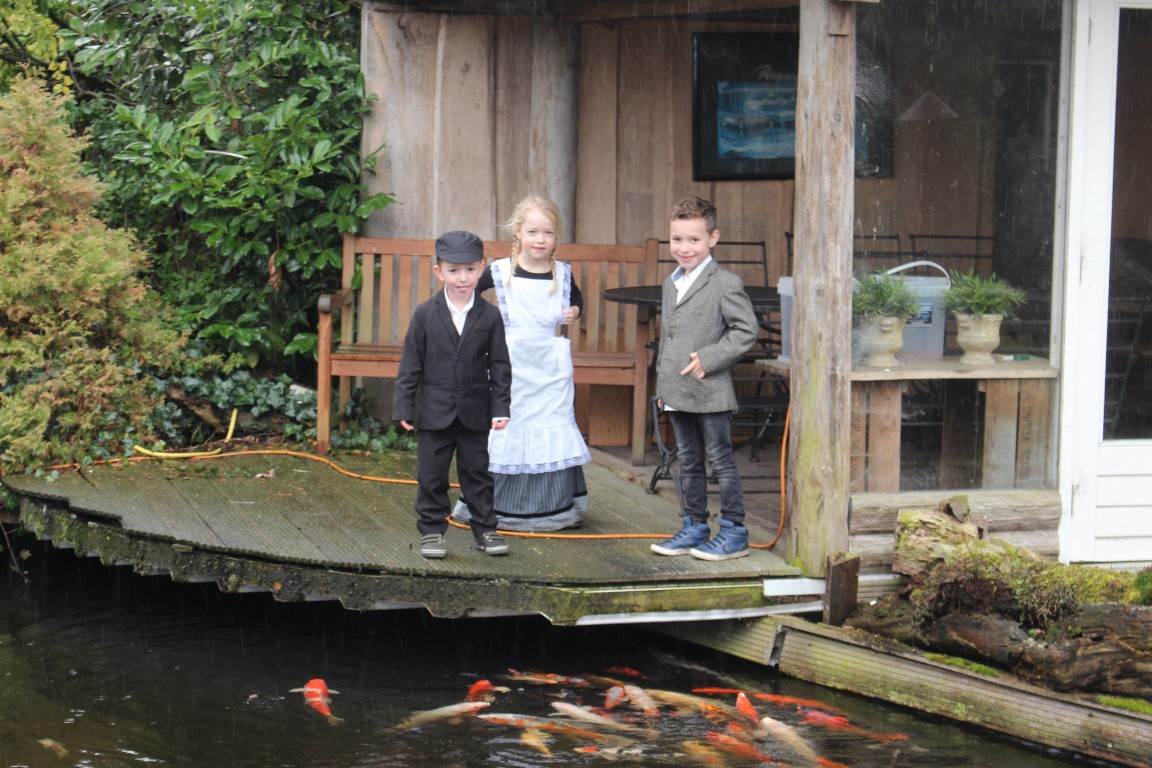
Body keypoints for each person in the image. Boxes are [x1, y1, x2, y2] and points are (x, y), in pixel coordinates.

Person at [452, 196, 592, 531]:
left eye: (548, 233)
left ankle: (553, 507)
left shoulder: (562, 272)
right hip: (511, 361)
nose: (540, 240)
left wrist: (574, 310)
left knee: (551, 422)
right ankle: (496, 505)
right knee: (509, 423)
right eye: (533, 232)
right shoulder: (501, 271)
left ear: (556, 236)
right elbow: (467, 292)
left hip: (549, 366)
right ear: (518, 232)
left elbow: (576, 298)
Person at [650, 196, 759, 560]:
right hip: (678, 391)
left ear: (713, 238)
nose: (684, 248)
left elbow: (746, 330)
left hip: (710, 391)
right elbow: (669, 338)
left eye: (694, 240)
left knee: (720, 460)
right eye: (677, 239)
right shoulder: (671, 283)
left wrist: (709, 359)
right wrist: (663, 387)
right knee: (689, 460)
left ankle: (734, 531)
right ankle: (695, 526)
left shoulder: (725, 283)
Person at [393, 230, 513, 558]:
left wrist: (500, 407)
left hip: (475, 412)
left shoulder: (490, 316)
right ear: (439, 271)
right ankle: (432, 530)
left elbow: (500, 365)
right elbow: (410, 364)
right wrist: (404, 406)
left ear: (482, 268)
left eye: (471, 269)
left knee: (477, 472)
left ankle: (485, 529)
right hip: (434, 413)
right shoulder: (425, 314)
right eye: (454, 270)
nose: (463, 278)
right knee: (431, 474)